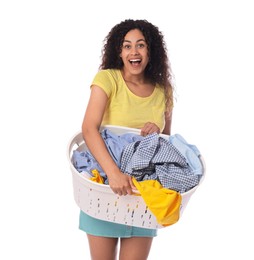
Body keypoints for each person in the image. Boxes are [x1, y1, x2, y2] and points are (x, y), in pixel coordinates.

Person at [80, 19, 174, 260]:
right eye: (127, 46)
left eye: (141, 45)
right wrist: (113, 173)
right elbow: (89, 128)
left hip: (142, 196)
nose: (134, 52)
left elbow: (166, 144)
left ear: (150, 51)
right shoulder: (107, 79)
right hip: (104, 189)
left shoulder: (163, 91)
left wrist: (157, 133)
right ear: (119, 52)